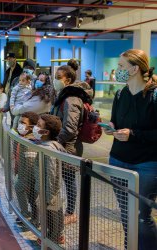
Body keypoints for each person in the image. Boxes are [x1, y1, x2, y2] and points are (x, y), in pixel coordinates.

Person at [103, 49, 157, 250]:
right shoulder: (120, 93)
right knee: (126, 213)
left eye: (121, 66)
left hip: (146, 164)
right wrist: (112, 129)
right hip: (118, 160)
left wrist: (133, 134)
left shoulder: (154, 95)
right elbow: (117, 122)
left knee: (141, 216)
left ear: (135, 69)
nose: (117, 70)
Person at [51, 65, 93, 225]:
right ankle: (63, 210)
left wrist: (56, 141)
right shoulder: (64, 96)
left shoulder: (71, 99)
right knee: (63, 179)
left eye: (58, 76)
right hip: (63, 145)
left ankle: (70, 212)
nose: (55, 79)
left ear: (67, 80)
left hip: (68, 147)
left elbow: (69, 128)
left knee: (69, 180)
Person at [33, 114, 66, 245]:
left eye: (38, 126)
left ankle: (51, 240)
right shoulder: (49, 144)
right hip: (51, 189)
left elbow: (51, 173)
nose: (35, 128)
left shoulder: (48, 149)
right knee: (56, 212)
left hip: (49, 190)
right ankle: (58, 235)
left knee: (51, 215)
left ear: (46, 132)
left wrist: (49, 195)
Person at [13, 111, 39, 225]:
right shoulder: (21, 137)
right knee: (31, 197)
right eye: (19, 122)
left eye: (23, 123)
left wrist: (26, 180)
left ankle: (29, 215)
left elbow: (30, 163)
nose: (20, 125)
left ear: (32, 126)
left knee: (29, 194)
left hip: (29, 176)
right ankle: (29, 215)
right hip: (24, 174)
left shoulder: (30, 141)